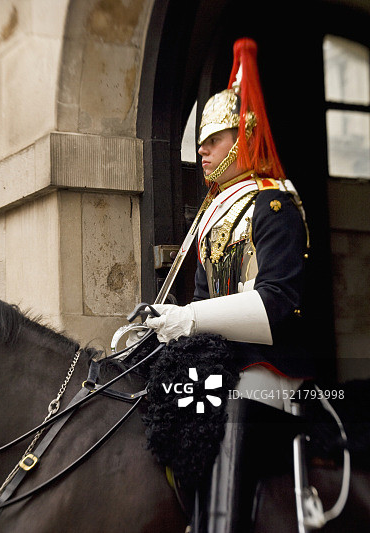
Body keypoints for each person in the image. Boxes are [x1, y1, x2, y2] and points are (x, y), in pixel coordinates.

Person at [144, 38, 313, 532]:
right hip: (221, 360)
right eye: (201, 142)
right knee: (157, 408)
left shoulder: (274, 205)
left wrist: (188, 319)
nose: (201, 150)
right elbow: (201, 297)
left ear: (242, 138)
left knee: (230, 416)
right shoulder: (212, 214)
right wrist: (163, 329)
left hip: (268, 361)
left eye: (212, 139)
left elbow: (276, 302)